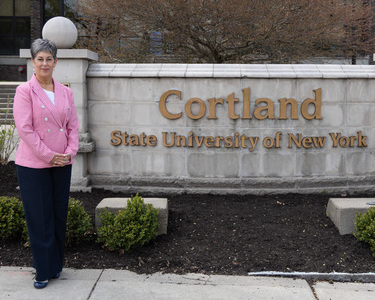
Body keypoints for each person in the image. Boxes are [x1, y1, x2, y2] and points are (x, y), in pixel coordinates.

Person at [13, 38, 79, 289]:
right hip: (34, 165)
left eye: (48, 58)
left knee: (58, 215)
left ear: (55, 62)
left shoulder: (66, 91)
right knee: (39, 218)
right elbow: (25, 130)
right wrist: (50, 155)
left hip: (63, 162)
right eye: (39, 58)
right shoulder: (24, 91)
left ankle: (55, 266)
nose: (44, 63)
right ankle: (42, 270)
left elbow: (73, 126)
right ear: (32, 61)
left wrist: (70, 152)